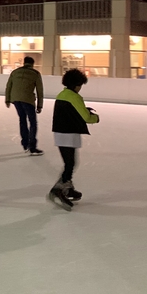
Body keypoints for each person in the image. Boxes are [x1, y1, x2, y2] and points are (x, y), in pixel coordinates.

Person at [47, 69, 100, 211]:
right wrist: (96, 118)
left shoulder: (62, 94)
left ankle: (68, 189)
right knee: (70, 163)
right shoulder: (75, 97)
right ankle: (58, 189)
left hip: (59, 133)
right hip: (69, 134)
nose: (80, 87)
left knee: (69, 162)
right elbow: (86, 118)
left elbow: (71, 111)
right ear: (76, 84)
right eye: (80, 84)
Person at [5, 56, 45, 155]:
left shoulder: (15, 72)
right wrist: (40, 105)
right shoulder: (35, 73)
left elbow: (8, 86)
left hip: (16, 99)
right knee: (32, 122)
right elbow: (40, 91)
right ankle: (32, 146)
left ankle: (25, 143)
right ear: (32, 64)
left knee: (22, 120)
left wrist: (7, 99)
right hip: (28, 100)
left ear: (24, 63)